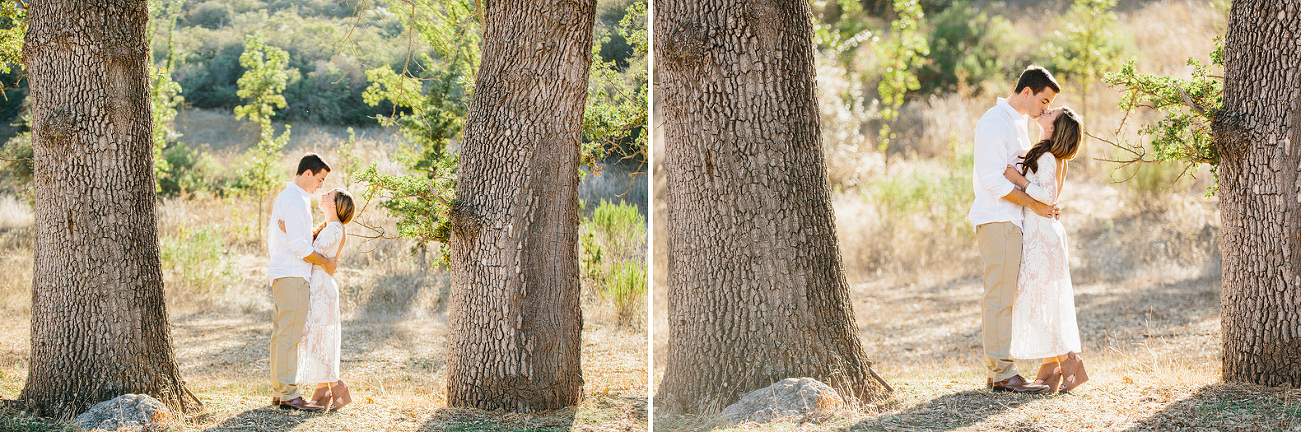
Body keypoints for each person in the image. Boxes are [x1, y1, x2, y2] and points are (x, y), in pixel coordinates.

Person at [968, 66, 1061, 393]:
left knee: (1007, 297)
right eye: (1044, 100)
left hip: (1013, 222)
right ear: (1026, 92)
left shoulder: (1018, 125)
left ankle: (999, 372)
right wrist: (1034, 205)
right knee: (999, 298)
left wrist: (1042, 203)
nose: (1045, 108)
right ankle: (1003, 373)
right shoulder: (995, 121)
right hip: (997, 219)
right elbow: (992, 180)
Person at [1003, 106, 1089, 393]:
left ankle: (1068, 360)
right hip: (1043, 232)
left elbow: (1047, 195)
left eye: (1051, 112)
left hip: (1042, 236)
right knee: (1043, 301)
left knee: (1040, 302)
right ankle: (1049, 369)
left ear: (1052, 128)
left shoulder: (1047, 155)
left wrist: (1018, 179)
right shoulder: (1048, 154)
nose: (1045, 110)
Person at [267, 153, 336, 411]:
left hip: (283, 273)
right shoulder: (295, 200)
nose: (321, 185)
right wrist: (325, 262)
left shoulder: (290, 198)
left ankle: (279, 391)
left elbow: (294, 239)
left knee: (280, 336)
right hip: (293, 275)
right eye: (320, 179)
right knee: (288, 337)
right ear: (308, 173)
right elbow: (298, 245)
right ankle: (288, 394)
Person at [280, 188, 356, 410]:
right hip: (317, 286)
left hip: (322, 289)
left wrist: (291, 234)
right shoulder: (329, 227)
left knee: (314, 339)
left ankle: (337, 386)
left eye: (328, 195)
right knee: (314, 339)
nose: (322, 195)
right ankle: (322, 391)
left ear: (334, 204)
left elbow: (310, 253)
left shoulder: (335, 228)